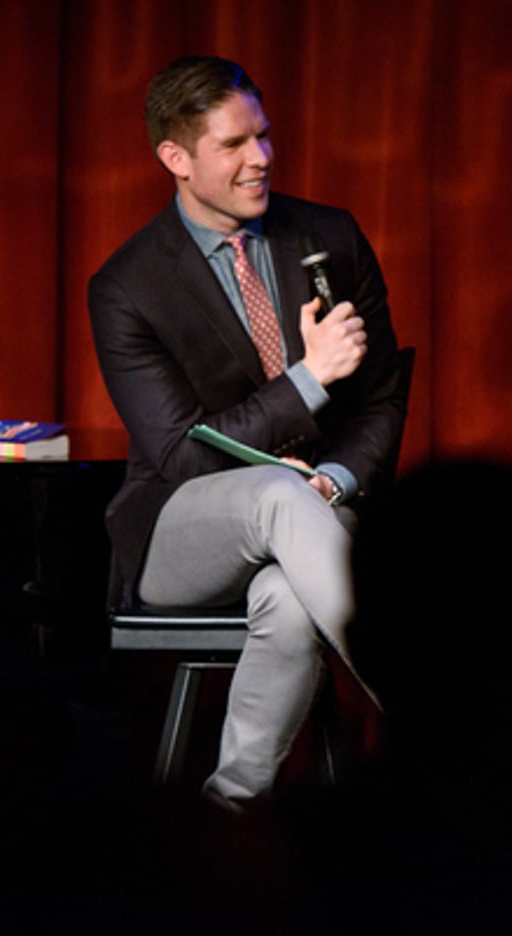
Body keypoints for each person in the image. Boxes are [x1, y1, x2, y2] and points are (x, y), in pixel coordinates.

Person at [88, 56, 408, 809]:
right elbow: (180, 455)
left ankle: (228, 816)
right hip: (181, 531)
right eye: (233, 145)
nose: (260, 157)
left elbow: (382, 399)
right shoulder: (128, 286)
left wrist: (335, 480)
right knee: (272, 491)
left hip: (319, 512)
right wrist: (309, 378)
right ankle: (450, 733)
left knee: (290, 599)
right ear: (176, 158)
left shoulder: (330, 235)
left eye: (262, 136)